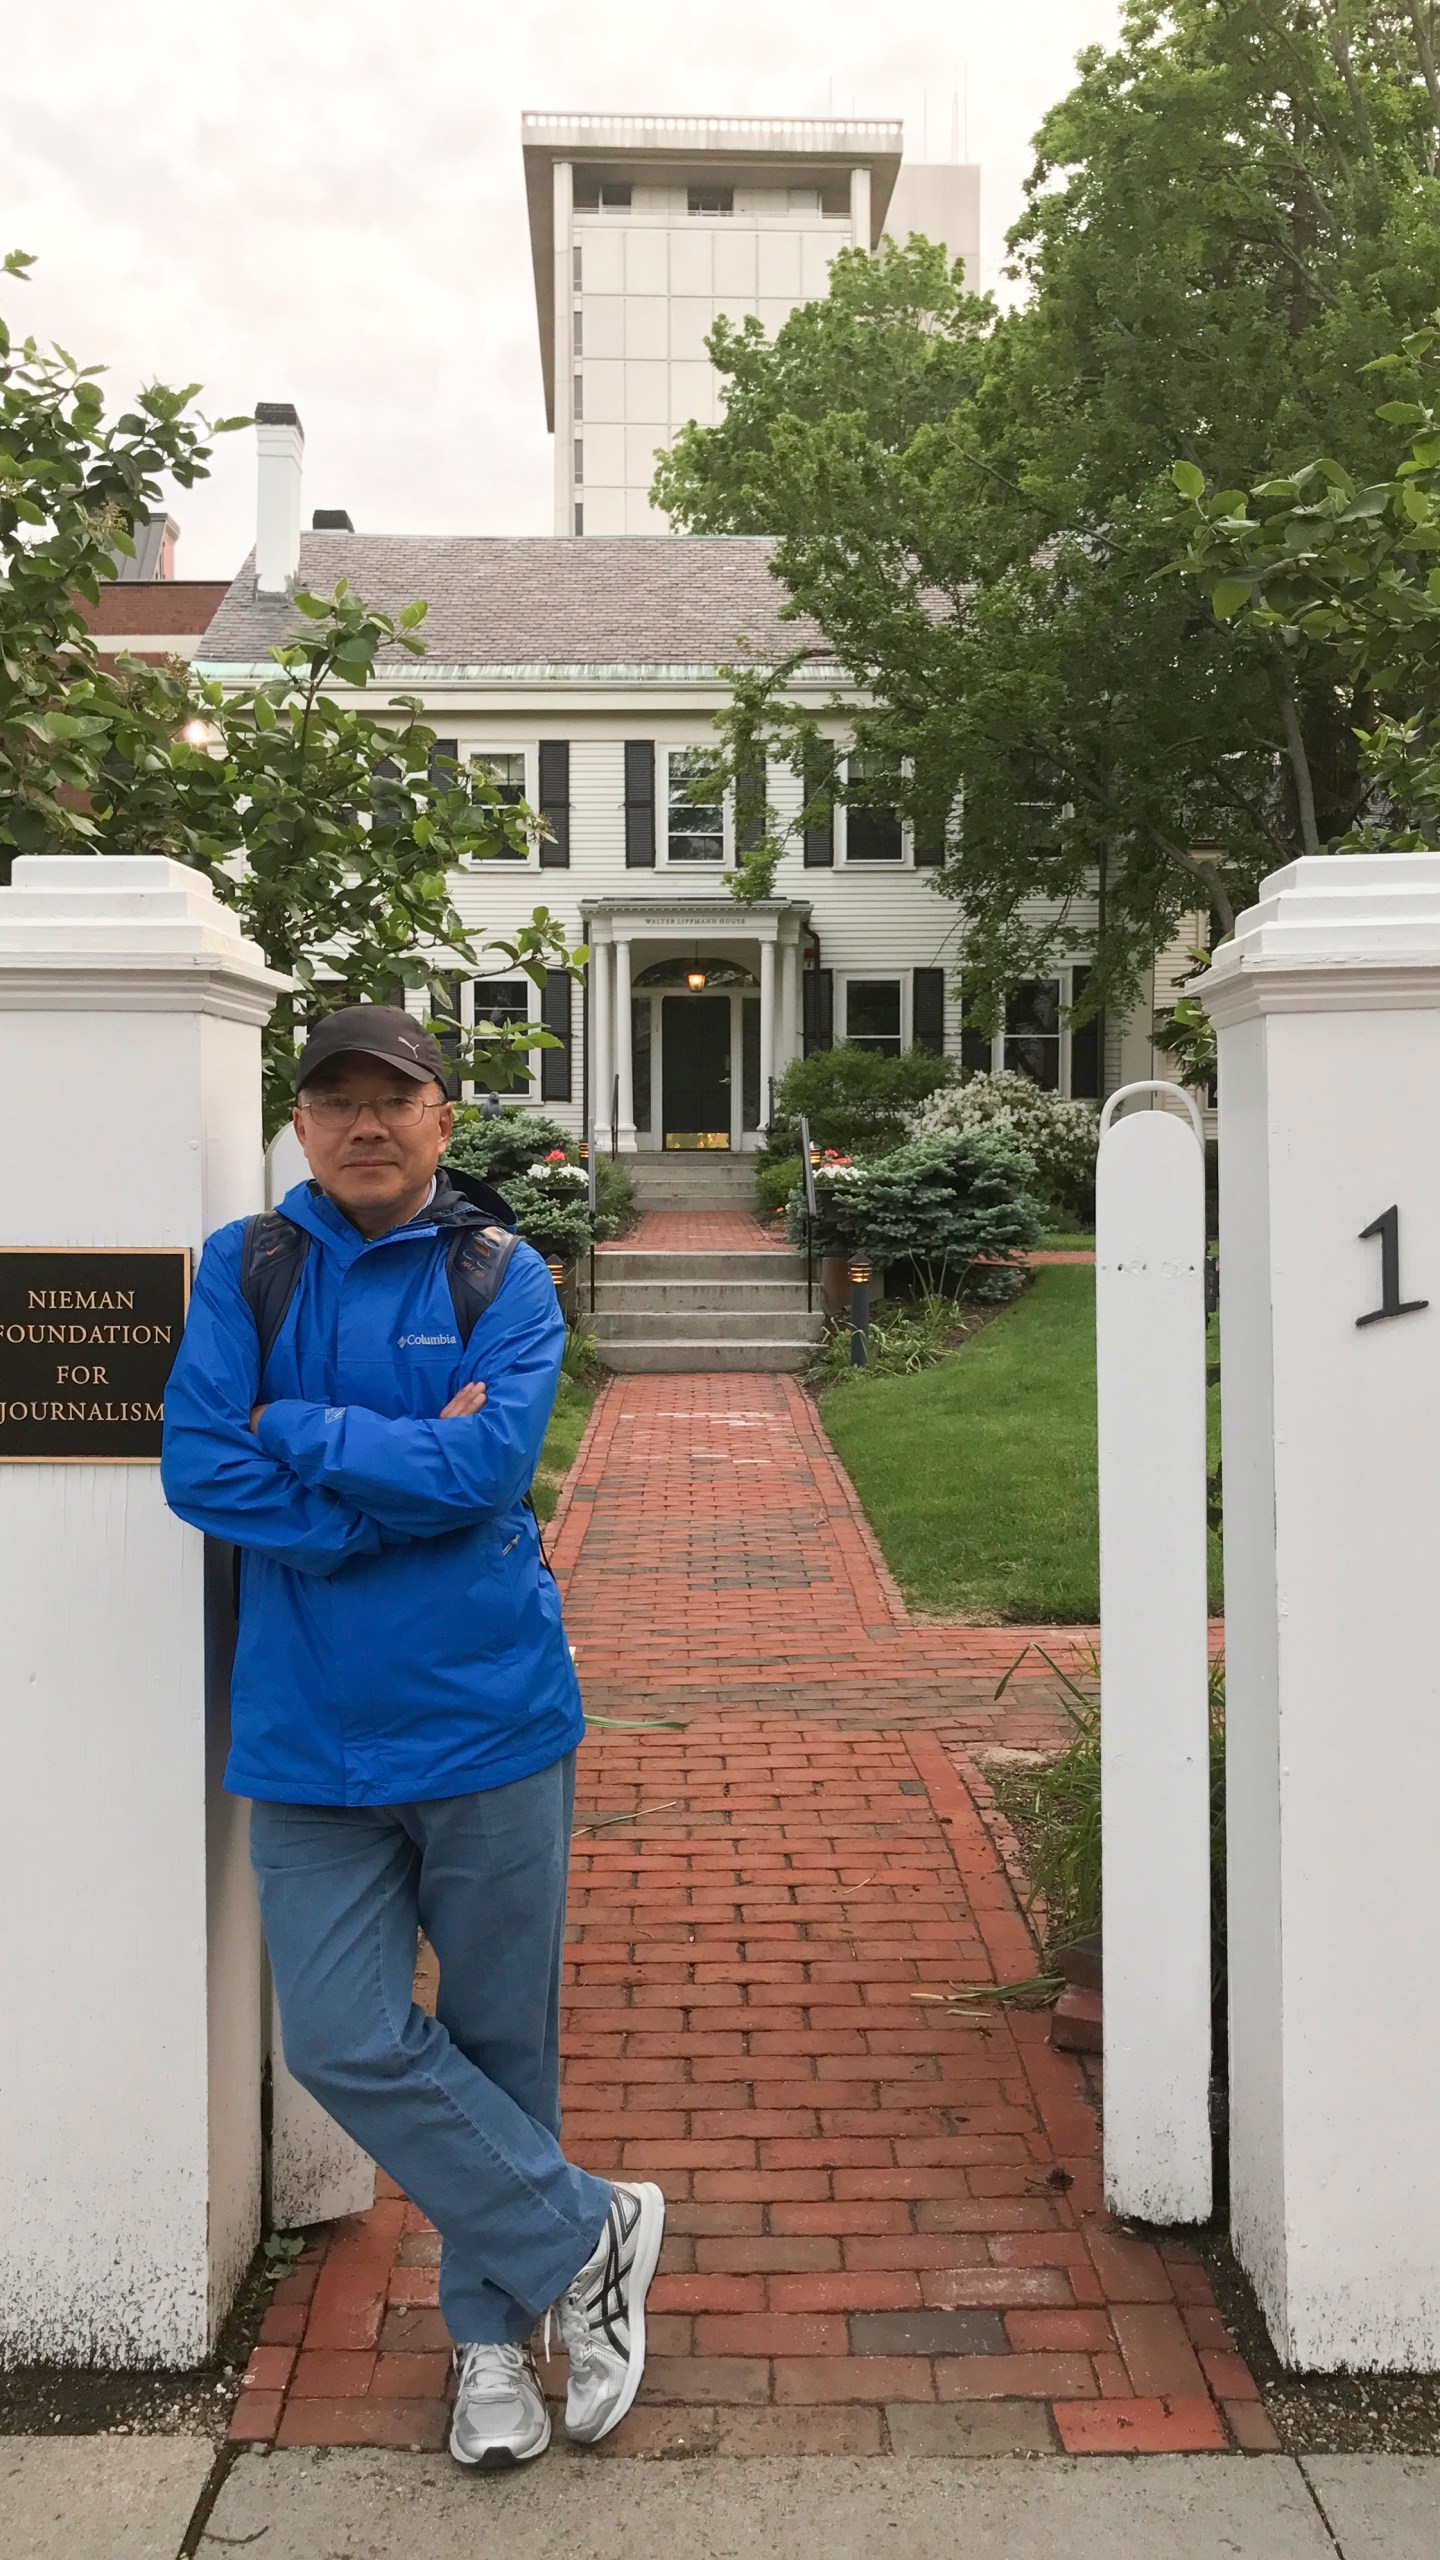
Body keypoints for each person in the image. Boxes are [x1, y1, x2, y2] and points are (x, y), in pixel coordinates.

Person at [161, 1003, 663, 2471]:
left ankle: (492, 2349)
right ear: (301, 1126)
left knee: (503, 2049)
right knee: (342, 2037)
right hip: (308, 1734)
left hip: (490, 1723)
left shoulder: (500, 1275)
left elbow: (491, 1466)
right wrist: (397, 1490)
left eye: (396, 1098)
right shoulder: (242, 1268)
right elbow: (199, 1463)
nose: (365, 1123)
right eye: (336, 1101)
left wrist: (301, 1430)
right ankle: (593, 2230)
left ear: (444, 1118)